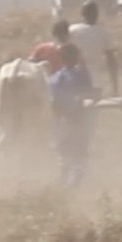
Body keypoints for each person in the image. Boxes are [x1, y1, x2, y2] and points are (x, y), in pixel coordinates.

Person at [47, 41, 97, 189]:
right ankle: (73, 186)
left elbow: (52, 101)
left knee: (63, 156)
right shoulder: (80, 75)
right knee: (79, 154)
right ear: (75, 57)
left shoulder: (54, 78)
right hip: (77, 120)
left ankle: (64, 183)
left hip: (60, 122)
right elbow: (88, 92)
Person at [67, 1, 118, 95]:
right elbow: (111, 61)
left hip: (72, 81)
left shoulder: (72, 30)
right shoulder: (104, 33)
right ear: (97, 15)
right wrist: (115, 88)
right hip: (94, 83)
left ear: (82, 14)